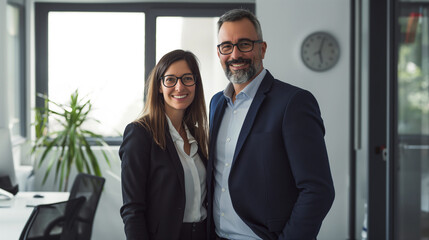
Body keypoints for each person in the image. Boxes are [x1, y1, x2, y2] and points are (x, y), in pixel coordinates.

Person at [207, 9, 335, 240]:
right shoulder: (217, 103)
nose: (235, 54)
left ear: (262, 48)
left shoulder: (293, 103)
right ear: (219, 53)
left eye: (244, 44)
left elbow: (318, 190)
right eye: (226, 46)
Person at [120, 49, 208, 240]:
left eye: (187, 78)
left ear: (195, 84)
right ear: (159, 86)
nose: (179, 87)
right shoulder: (140, 133)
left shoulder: (197, 134)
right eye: (170, 80)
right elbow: (132, 209)